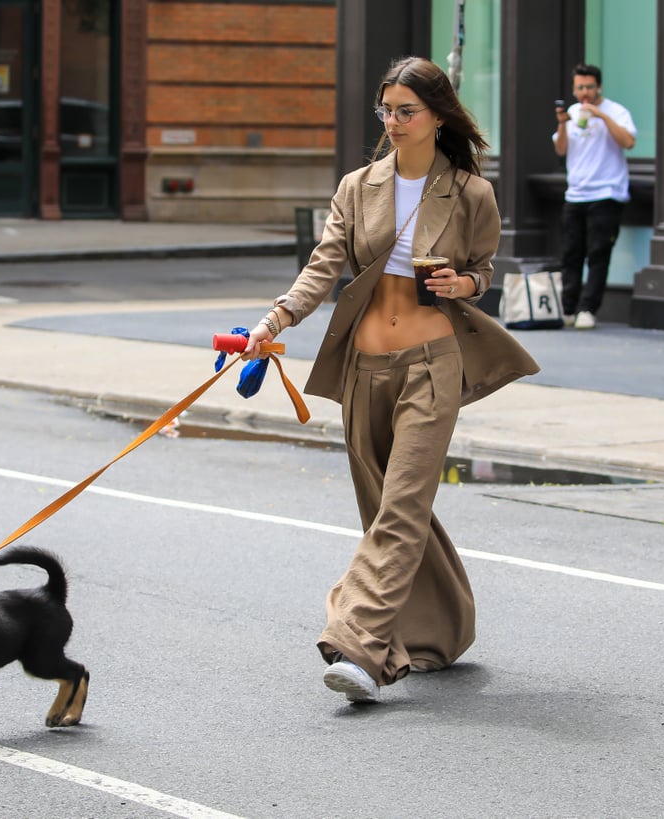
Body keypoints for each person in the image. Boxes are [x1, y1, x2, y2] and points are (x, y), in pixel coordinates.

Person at [243, 56, 539, 704]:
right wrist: (274, 320)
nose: (394, 121)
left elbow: (484, 267)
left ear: (438, 116)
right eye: (387, 109)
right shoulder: (358, 187)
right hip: (363, 370)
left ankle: (358, 644)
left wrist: (465, 283)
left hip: (432, 365)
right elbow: (323, 267)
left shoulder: (469, 192)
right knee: (389, 510)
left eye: (407, 110)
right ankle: (445, 627)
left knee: (402, 507)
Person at [553, 64, 637, 330]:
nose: (585, 93)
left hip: (606, 193)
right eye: (580, 87)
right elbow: (561, 149)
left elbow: (628, 142)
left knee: (598, 254)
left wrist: (600, 115)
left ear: (598, 87)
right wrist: (562, 124)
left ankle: (588, 309)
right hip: (576, 193)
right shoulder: (574, 112)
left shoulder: (616, 111)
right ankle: (568, 308)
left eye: (589, 87)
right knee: (571, 253)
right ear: (574, 89)